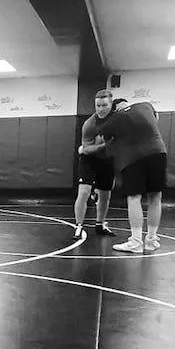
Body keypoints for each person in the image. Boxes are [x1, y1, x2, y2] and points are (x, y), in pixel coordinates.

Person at [92, 98, 167, 253]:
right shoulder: (146, 105)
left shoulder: (113, 119)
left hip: (132, 158)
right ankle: (152, 240)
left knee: (134, 198)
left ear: (114, 109)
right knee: (155, 197)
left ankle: (136, 242)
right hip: (157, 151)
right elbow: (156, 119)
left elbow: (106, 141)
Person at [73, 89, 117, 239]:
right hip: (90, 159)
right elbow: (85, 150)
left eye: (104, 105)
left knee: (105, 194)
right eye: (98, 105)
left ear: (111, 105)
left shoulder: (118, 118)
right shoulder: (89, 124)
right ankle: (78, 226)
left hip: (108, 160)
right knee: (84, 191)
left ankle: (100, 224)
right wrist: (104, 146)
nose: (100, 109)